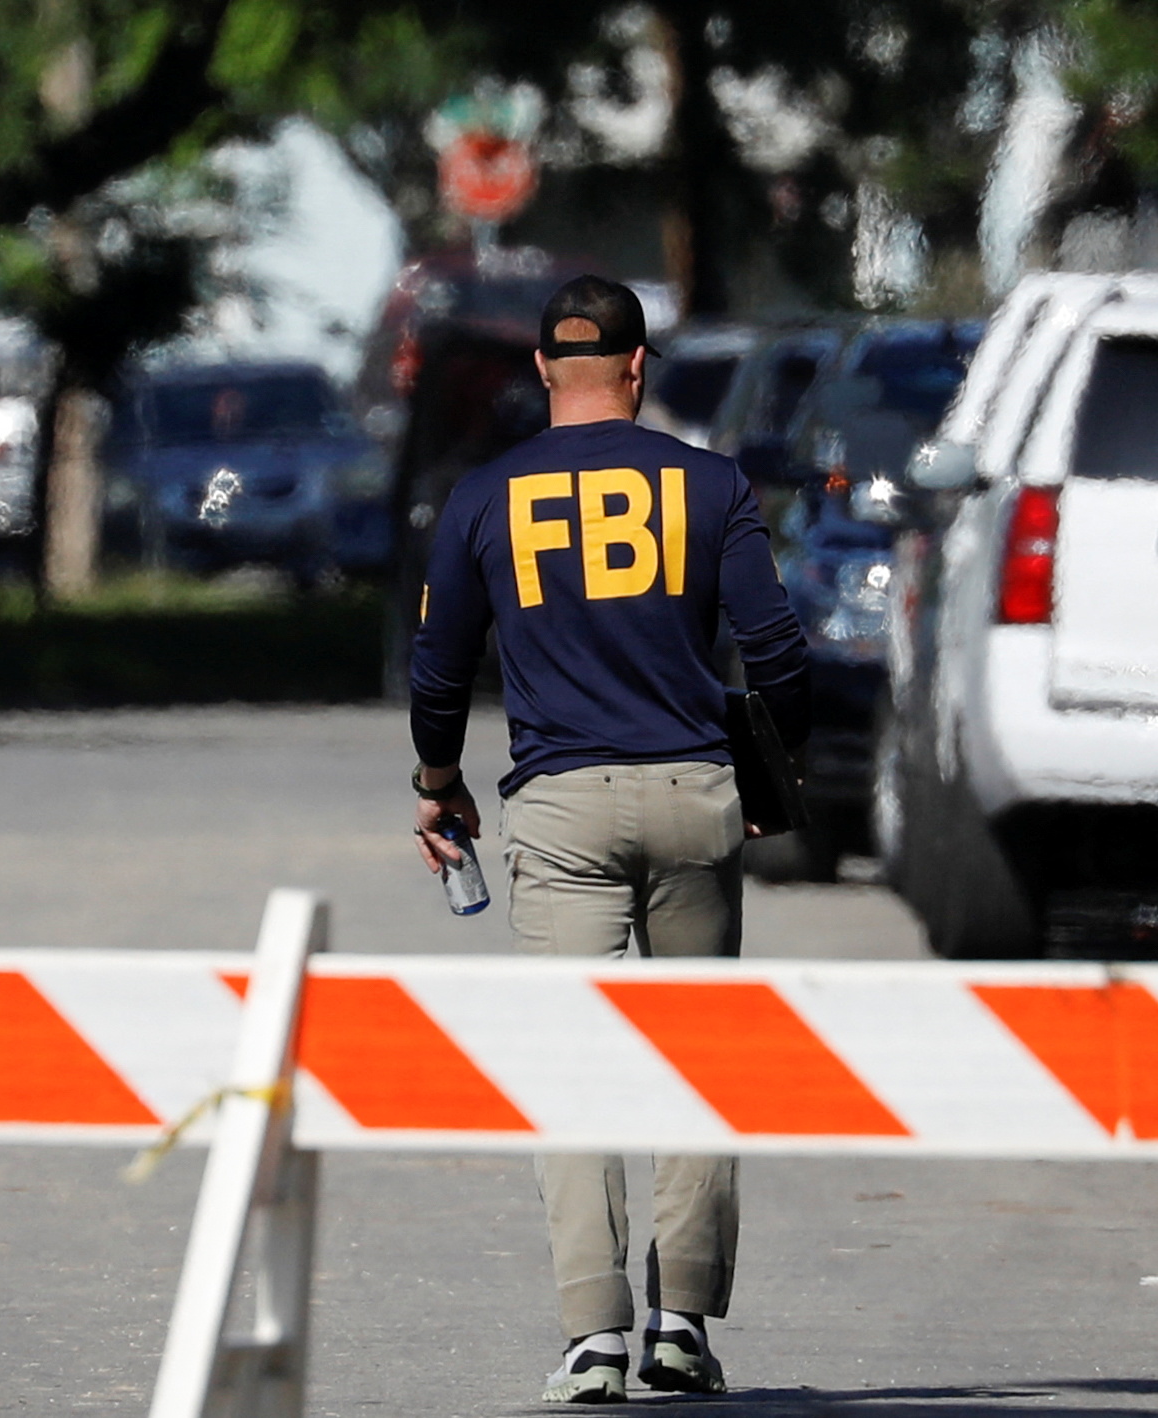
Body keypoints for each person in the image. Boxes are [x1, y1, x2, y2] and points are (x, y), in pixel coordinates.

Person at [405, 275, 810, 1404]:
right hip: (692, 792)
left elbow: (439, 669)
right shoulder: (711, 485)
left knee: (570, 1060)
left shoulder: (485, 496)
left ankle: (593, 1334)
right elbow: (776, 649)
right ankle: (681, 1320)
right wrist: (776, 769)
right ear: (641, 368)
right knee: (699, 1052)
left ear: (542, 369)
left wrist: (438, 783)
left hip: (561, 804)